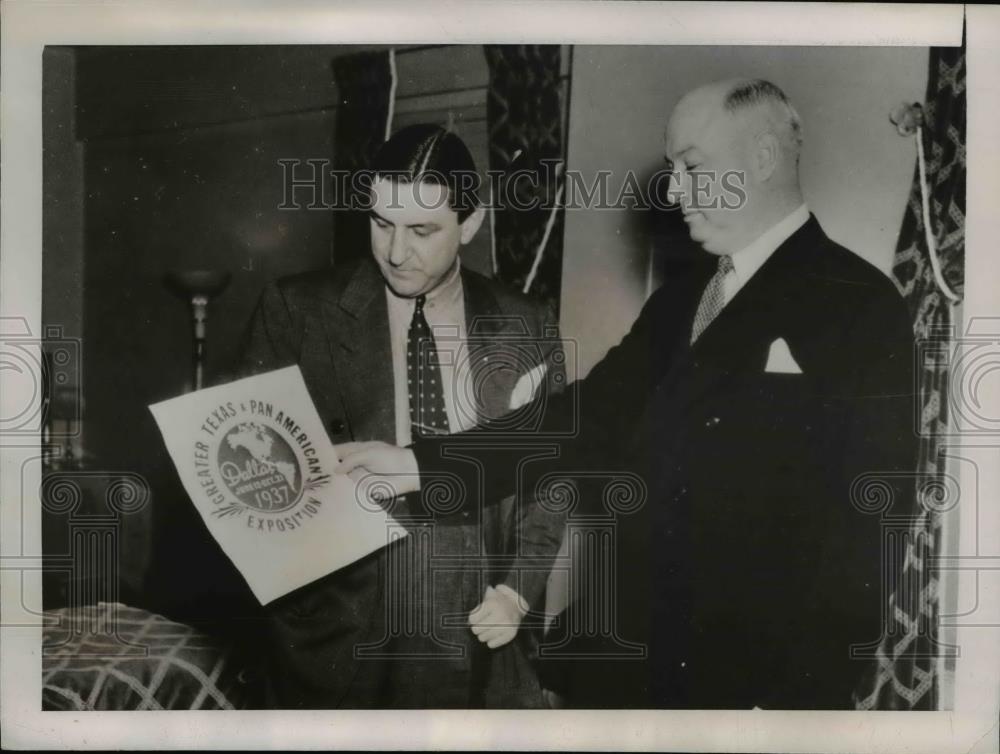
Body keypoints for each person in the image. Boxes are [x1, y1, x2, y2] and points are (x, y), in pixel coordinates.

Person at [337, 79, 918, 709]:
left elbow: (870, 530)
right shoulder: (679, 301)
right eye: (671, 169)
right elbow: (577, 420)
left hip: (747, 692)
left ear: (763, 158)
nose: (672, 189)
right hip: (627, 666)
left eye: (691, 166)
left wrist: (796, 708)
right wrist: (418, 463)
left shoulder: (859, 304)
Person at [237, 123, 565, 708]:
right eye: (381, 222)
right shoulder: (295, 310)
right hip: (339, 632)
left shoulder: (526, 323)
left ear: (470, 223)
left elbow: (549, 476)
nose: (394, 251)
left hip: (479, 624)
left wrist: (518, 592)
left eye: (422, 231)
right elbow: (244, 477)